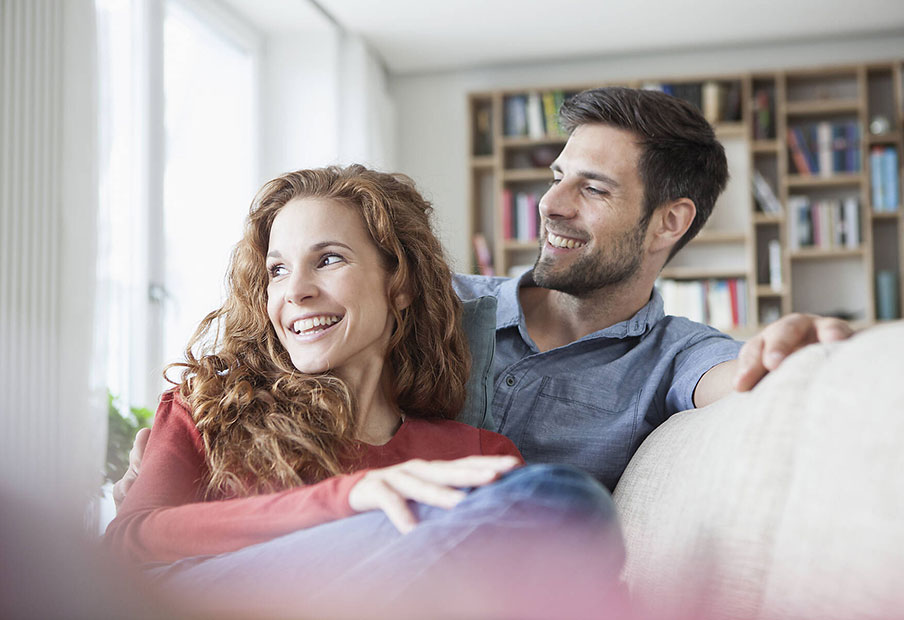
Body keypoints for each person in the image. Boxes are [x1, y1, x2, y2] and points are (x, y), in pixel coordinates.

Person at [115, 87, 852, 495]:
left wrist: (790, 354)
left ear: (670, 221)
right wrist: (181, 451)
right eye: (557, 176)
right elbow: (269, 352)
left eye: (591, 189)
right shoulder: (427, 299)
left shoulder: (672, 357)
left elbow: (739, 374)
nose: (553, 205)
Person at [104, 165, 626, 619]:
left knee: (564, 510)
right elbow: (130, 545)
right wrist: (348, 499)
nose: (296, 290)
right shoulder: (212, 405)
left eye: (328, 259)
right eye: (277, 270)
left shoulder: (475, 455)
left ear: (398, 283)